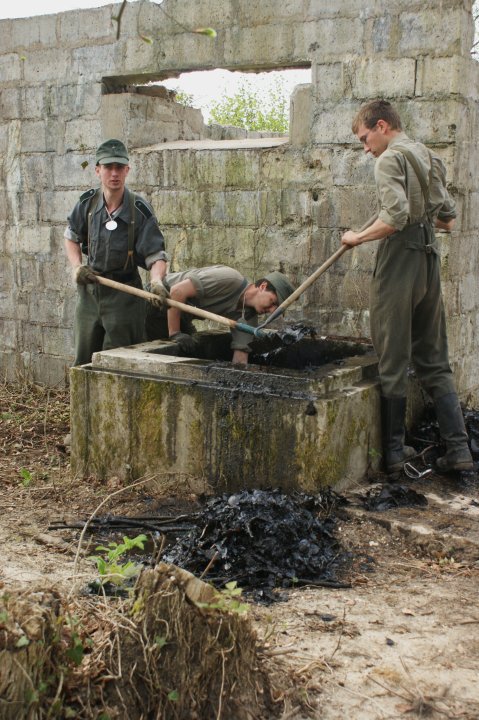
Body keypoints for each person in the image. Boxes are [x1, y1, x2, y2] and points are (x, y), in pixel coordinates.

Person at [341, 100, 472, 475]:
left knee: (392, 355)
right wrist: (421, 215)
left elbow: (394, 219)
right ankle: (459, 450)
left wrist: (357, 237)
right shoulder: (428, 156)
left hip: (400, 261)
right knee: (434, 357)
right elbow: (448, 220)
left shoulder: (388, 160)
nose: (366, 149)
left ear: (382, 126)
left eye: (365, 139)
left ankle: (394, 456)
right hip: (428, 259)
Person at [64, 139, 169, 366]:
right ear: (98, 170)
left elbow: (156, 255)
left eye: (119, 167)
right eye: (108, 167)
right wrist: (77, 267)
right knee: (83, 362)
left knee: (119, 364)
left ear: (127, 170)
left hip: (125, 297)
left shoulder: (139, 210)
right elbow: (71, 236)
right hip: (90, 293)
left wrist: (157, 281)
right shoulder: (87, 204)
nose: (114, 173)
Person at [145, 264, 295, 365]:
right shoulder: (229, 279)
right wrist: (175, 333)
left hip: (182, 316)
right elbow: (177, 292)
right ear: (262, 286)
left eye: (276, 309)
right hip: (156, 302)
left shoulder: (248, 318)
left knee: (194, 349)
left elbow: (241, 356)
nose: (271, 310)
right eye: (272, 302)